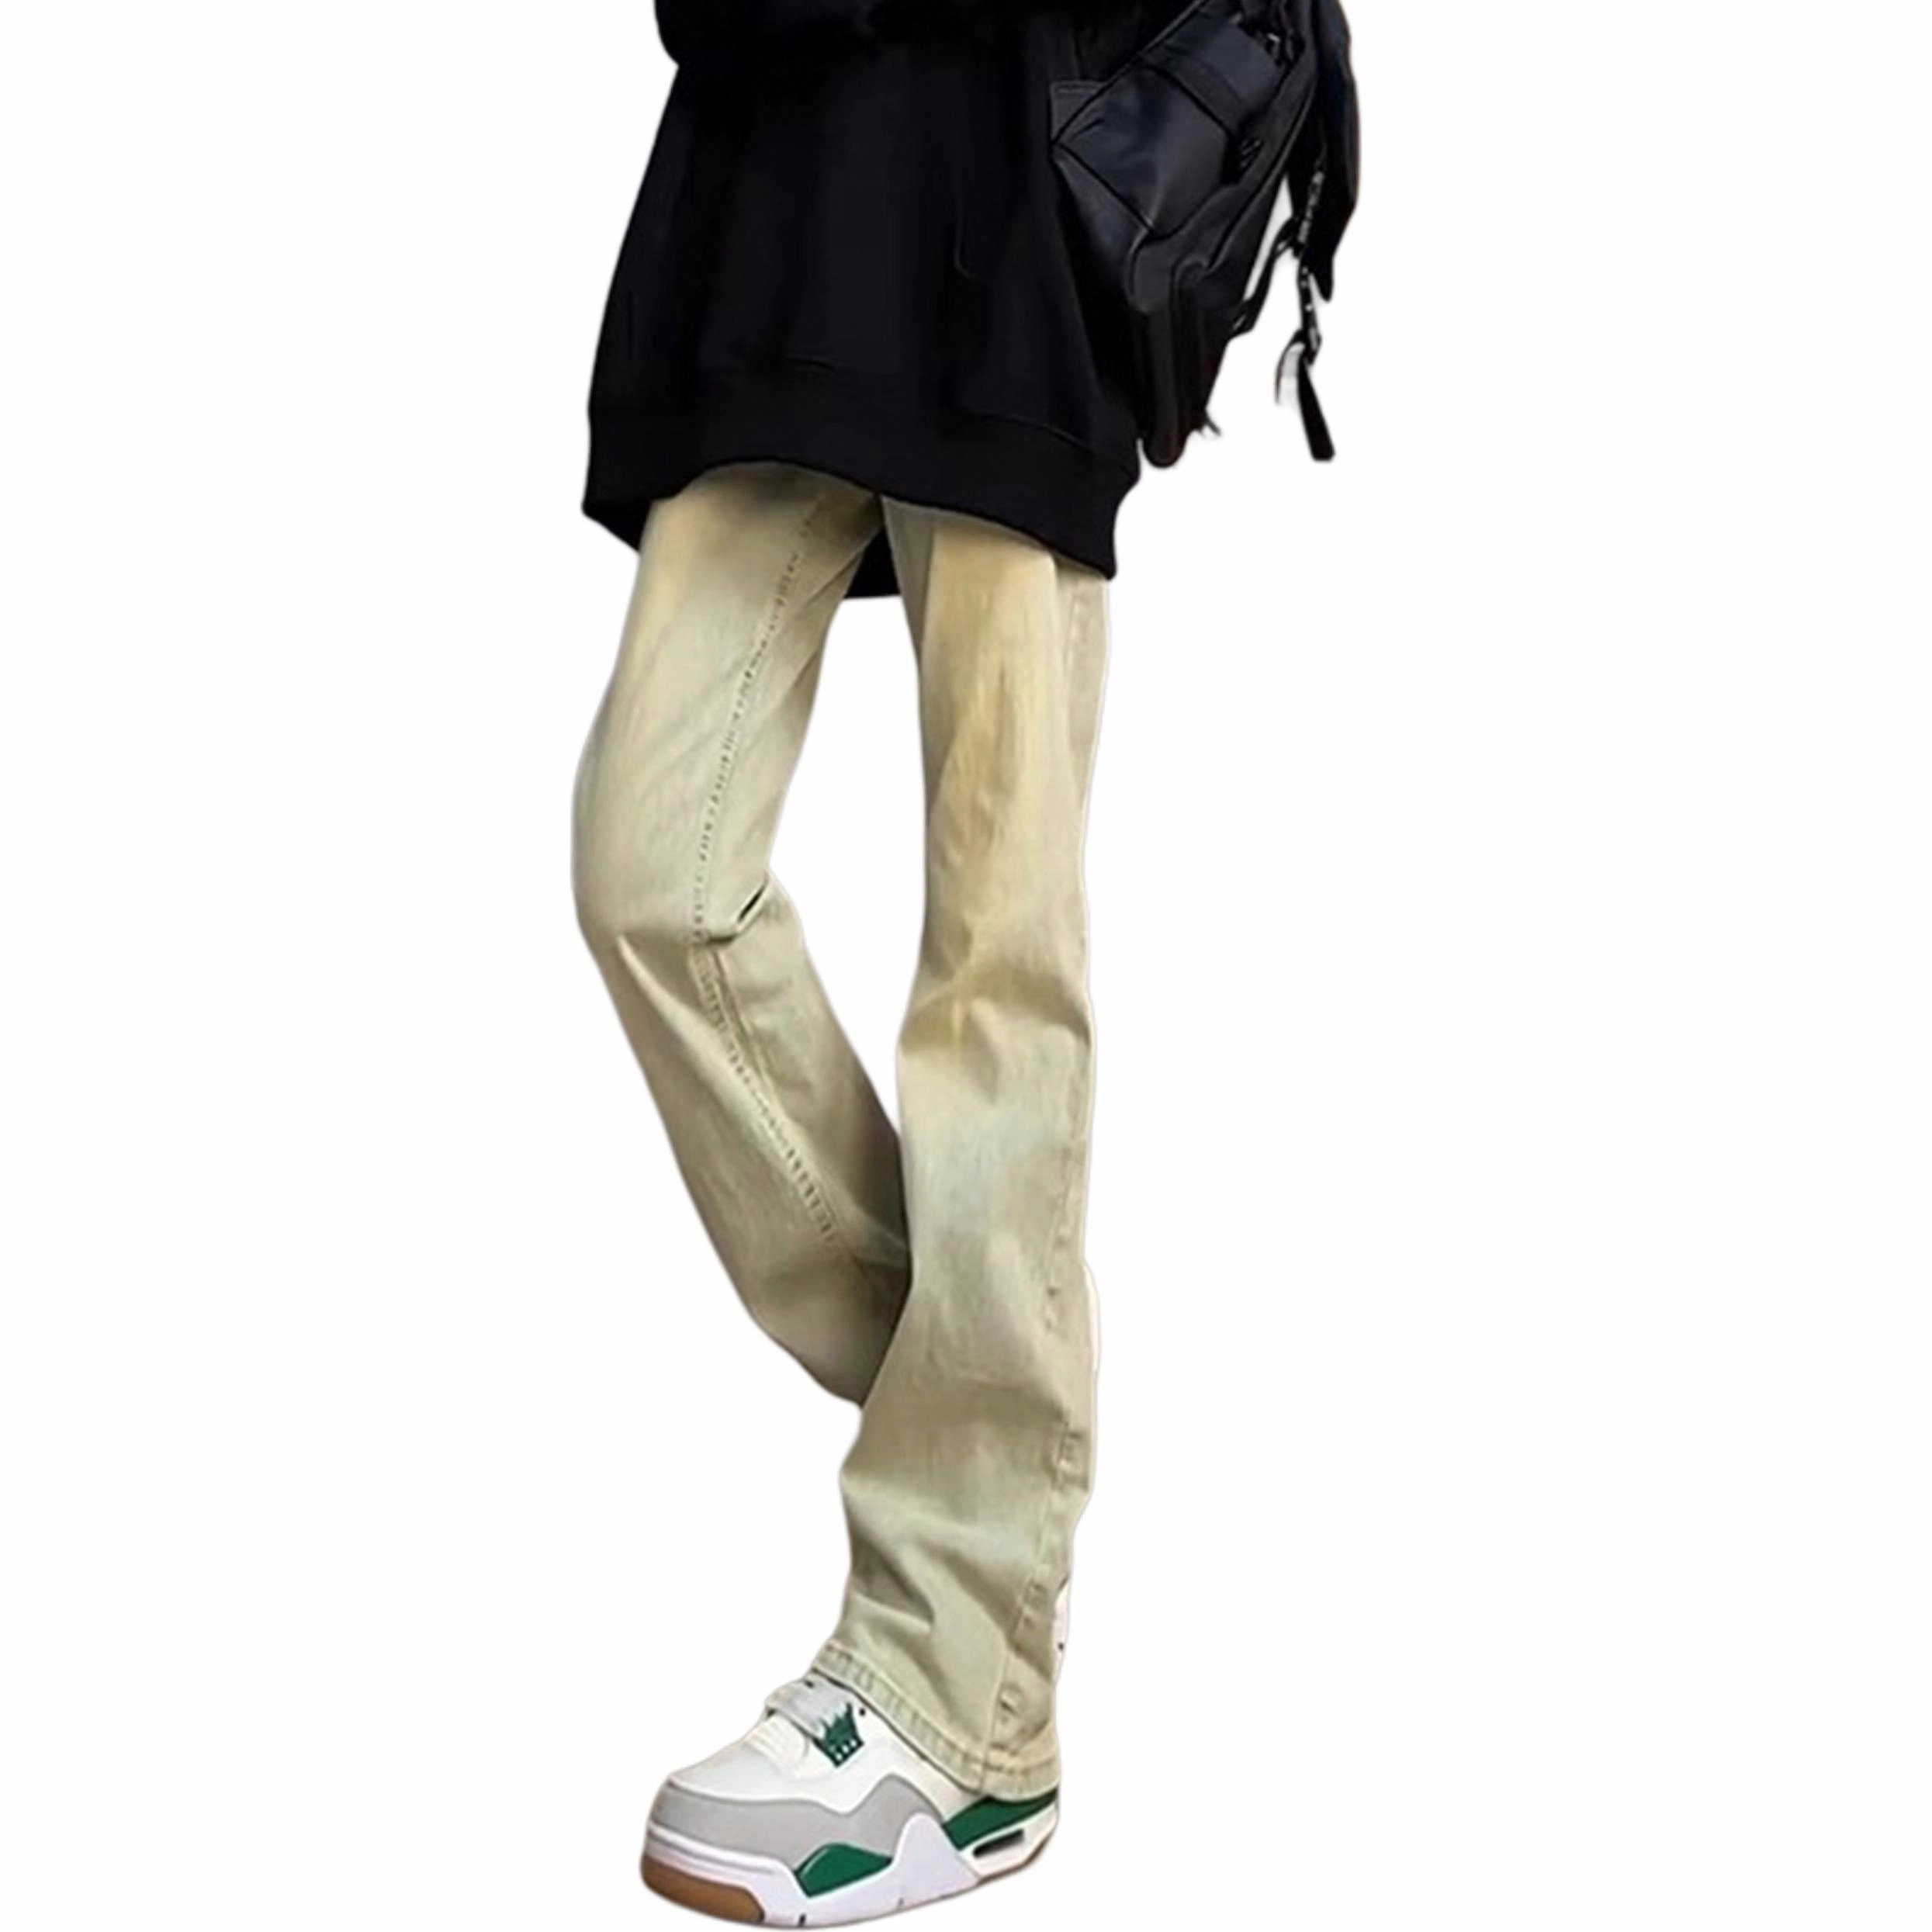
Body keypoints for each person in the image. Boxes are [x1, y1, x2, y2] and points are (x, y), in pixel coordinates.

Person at [572, 0, 1185, 1920]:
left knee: (997, 961)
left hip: (1020, 227)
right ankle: (991, 1431)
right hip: (777, 209)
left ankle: (965, 1709)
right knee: (651, 881)